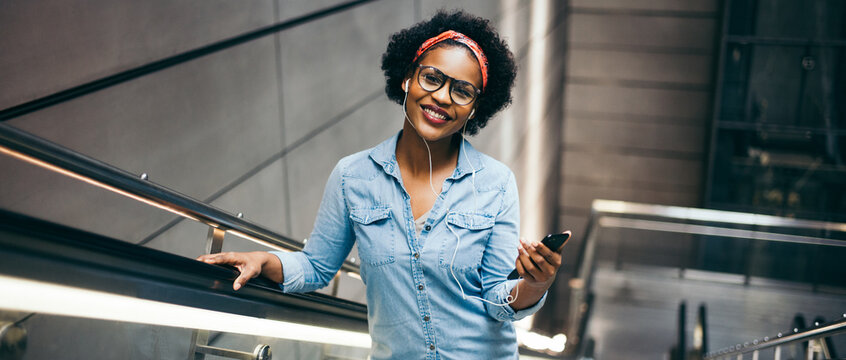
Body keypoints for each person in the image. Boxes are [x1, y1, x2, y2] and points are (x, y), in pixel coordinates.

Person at [197, 10, 565, 359]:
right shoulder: (352, 176)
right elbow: (317, 266)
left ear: (474, 108)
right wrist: (264, 260)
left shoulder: (496, 184)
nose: (441, 97)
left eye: (462, 91)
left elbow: (496, 299)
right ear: (408, 77)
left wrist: (534, 284)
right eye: (432, 78)